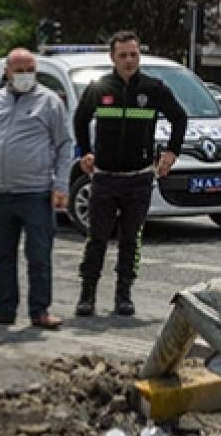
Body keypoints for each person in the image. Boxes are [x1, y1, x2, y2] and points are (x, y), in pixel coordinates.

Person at [73, 31, 188, 317]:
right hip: (105, 178)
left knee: (130, 239)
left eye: (133, 54)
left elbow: (179, 118)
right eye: (123, 55)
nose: (129, 60)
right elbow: (80, 118)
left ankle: (124, 294)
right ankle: (87, 294)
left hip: (139, 178)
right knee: (96, 238)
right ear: (112, 57)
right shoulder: (100, 87)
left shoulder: (153, 88)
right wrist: (85, 152)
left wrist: (171, 152)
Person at [0, 48, 73, 330]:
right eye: (19, 70)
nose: (25, 75)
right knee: (2, 256)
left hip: (36, 193)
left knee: (38, 255)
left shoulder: (49, 102)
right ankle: (4, 308)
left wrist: (61, 185)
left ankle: (40, 311)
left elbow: (64, 145)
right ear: (7, 72)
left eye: (30, 69)